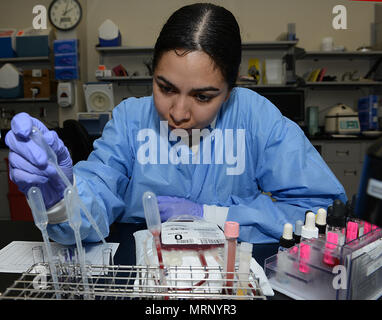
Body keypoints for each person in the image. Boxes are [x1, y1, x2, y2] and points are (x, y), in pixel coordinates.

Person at [5, 3, 346, 245]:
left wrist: (210, 215)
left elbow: (321, 211)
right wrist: (61, 199)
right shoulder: (130, 119)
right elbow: (97, 196)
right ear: (152, 74)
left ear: (230, 90)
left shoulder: (256, 118)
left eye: (203, 96)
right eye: (165, 88)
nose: (179, 112)